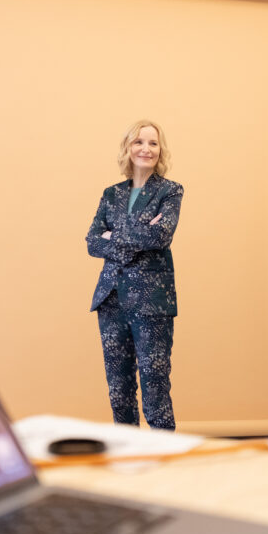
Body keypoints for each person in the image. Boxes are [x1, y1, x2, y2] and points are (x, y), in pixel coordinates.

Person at [86, 120, 184, 430]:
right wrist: (140, 231)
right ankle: (127, 455)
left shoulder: (170, 191)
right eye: (139, 142)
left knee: (155, 387)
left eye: (153, 143)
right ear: (128, 149)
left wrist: (113, 236)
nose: (146, 148)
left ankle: (164, 458)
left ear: (160, 150)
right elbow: (91, 241)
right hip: (111, 298)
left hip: (151, 302)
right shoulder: (111, 194)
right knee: (119, 391)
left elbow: (160, 237)